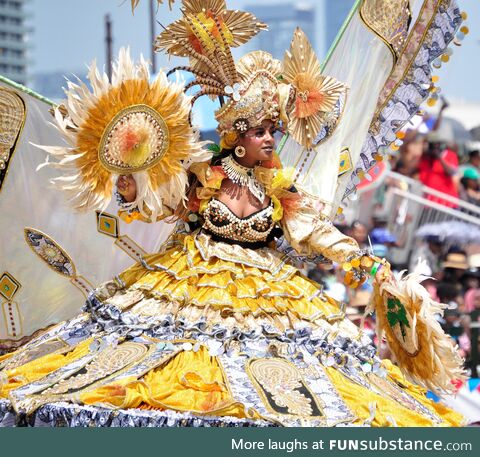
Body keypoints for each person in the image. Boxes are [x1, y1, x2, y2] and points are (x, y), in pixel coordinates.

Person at [0, 0, 465, 428]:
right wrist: (130, 178)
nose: (270, 139)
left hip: (270, 295)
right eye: (261, 131)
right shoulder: (202, 174)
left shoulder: (279, 190)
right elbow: (154, 204)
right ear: (237, 136)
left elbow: (316, 233)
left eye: (273, 130)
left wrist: (369, 266)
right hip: (190, 284)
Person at [418, 131, 459, 208]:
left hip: (446, 204)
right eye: (431, 144)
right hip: (428, 204)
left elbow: (451, 172)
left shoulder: (450, 155)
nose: (434, 147)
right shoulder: (425, 158)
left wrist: (439, 157)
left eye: (436, 144)